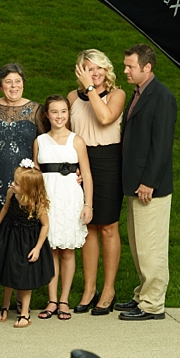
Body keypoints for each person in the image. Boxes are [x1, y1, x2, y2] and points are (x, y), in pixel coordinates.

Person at [115, 43, 176, 321]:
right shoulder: (139, 93)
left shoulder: (162, 97)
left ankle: (153, 305)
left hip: (150, 187)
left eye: (130, 66)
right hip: (135, 183)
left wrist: (149, 181)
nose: (125, 70)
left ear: (147, 67)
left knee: (151, 246)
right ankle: (143, 295)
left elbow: (162, 145)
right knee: (140, 244)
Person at [68, 49, 126, 315]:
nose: (95, 73)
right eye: (89, 68)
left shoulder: (117, 94)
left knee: (108, 227)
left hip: (108, 160)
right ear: (80, 71)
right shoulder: (71, 97)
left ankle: (108, 289)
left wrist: (90, 88)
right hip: (82, 160)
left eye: (99, 68)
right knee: (88, 226)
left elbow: (104, 118)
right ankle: (89, 289)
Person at [0, 62, 39, 315]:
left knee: (18, 242)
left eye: (17, 81)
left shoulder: (35, 110)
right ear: (0, 84)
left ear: (23, 83)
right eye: (8, 82)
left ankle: (19, 294)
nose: (13, 86)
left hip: (22, 188)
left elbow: (49, 143)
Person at [34, 95, 92, 321]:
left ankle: (64, 300)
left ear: (69, 114)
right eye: (54, 112)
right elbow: (36, 175)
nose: (59, 116)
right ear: (47, 115)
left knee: (67, 250)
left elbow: (86, 173)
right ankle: (51, 300)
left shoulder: (76, 141)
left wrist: (88, 204)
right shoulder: (40, 141)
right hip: (48, 199)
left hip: (70, 199)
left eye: (63, 112)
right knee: (50, 251)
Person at [0, 161, 54, 328]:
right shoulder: (12, 193)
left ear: (29, 188)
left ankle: (24, 312)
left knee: (25, 275)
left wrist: (37, 248)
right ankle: (5, 305)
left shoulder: (37, 204)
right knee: (8, 270)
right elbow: (5, 210)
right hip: (10, 236)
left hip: (28, 240)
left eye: (16, 183)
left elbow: (45, 225)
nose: (12, 184)